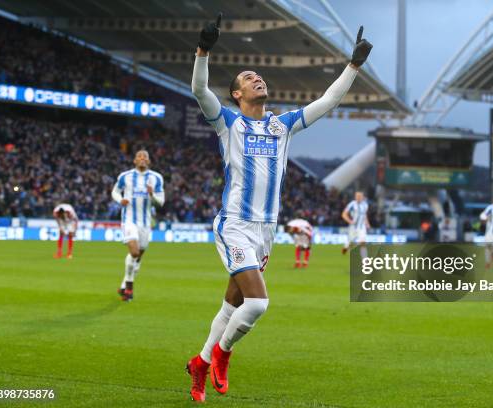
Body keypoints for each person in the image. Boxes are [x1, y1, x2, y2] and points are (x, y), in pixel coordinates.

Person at [185, 13, 372, 402]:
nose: (258, 79)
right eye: (249, 78)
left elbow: (329, 100)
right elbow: (200, 90)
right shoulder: (228, 123)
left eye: (260, 76)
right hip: (235, 223)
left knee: (231, 304)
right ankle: (222, 356)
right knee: (257, 303)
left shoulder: (281, 126)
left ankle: (200, 365)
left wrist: (353, 65)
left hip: (266, 230)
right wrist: (203, 50)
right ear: (237, 94)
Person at [111, 150, 165, 302]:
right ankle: (129, 287)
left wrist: (152, 195)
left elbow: (161, 202)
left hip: (145, 223)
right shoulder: (125, 176)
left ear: (148, 161)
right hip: (129, 220)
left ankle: (123, 286)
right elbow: (115, 192)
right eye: (139, 156)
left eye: (145, 157)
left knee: (138, 258)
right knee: (134, 252)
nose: (142, 158)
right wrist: (120, 200)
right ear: (134, 160)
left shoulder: (156, 178)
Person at [341, 191, 370, 259]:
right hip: (353, 227)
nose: (358, 197)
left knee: (363, 242)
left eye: (360, 196)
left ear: (362, 197)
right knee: (349, 242)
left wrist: (367, 223)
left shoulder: (365, 205)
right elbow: (344, 214)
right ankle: (345, 248)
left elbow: (364, 215)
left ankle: (365, 259)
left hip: (361, 227)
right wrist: (350, 221)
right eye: (357, 196)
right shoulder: (352, 204)